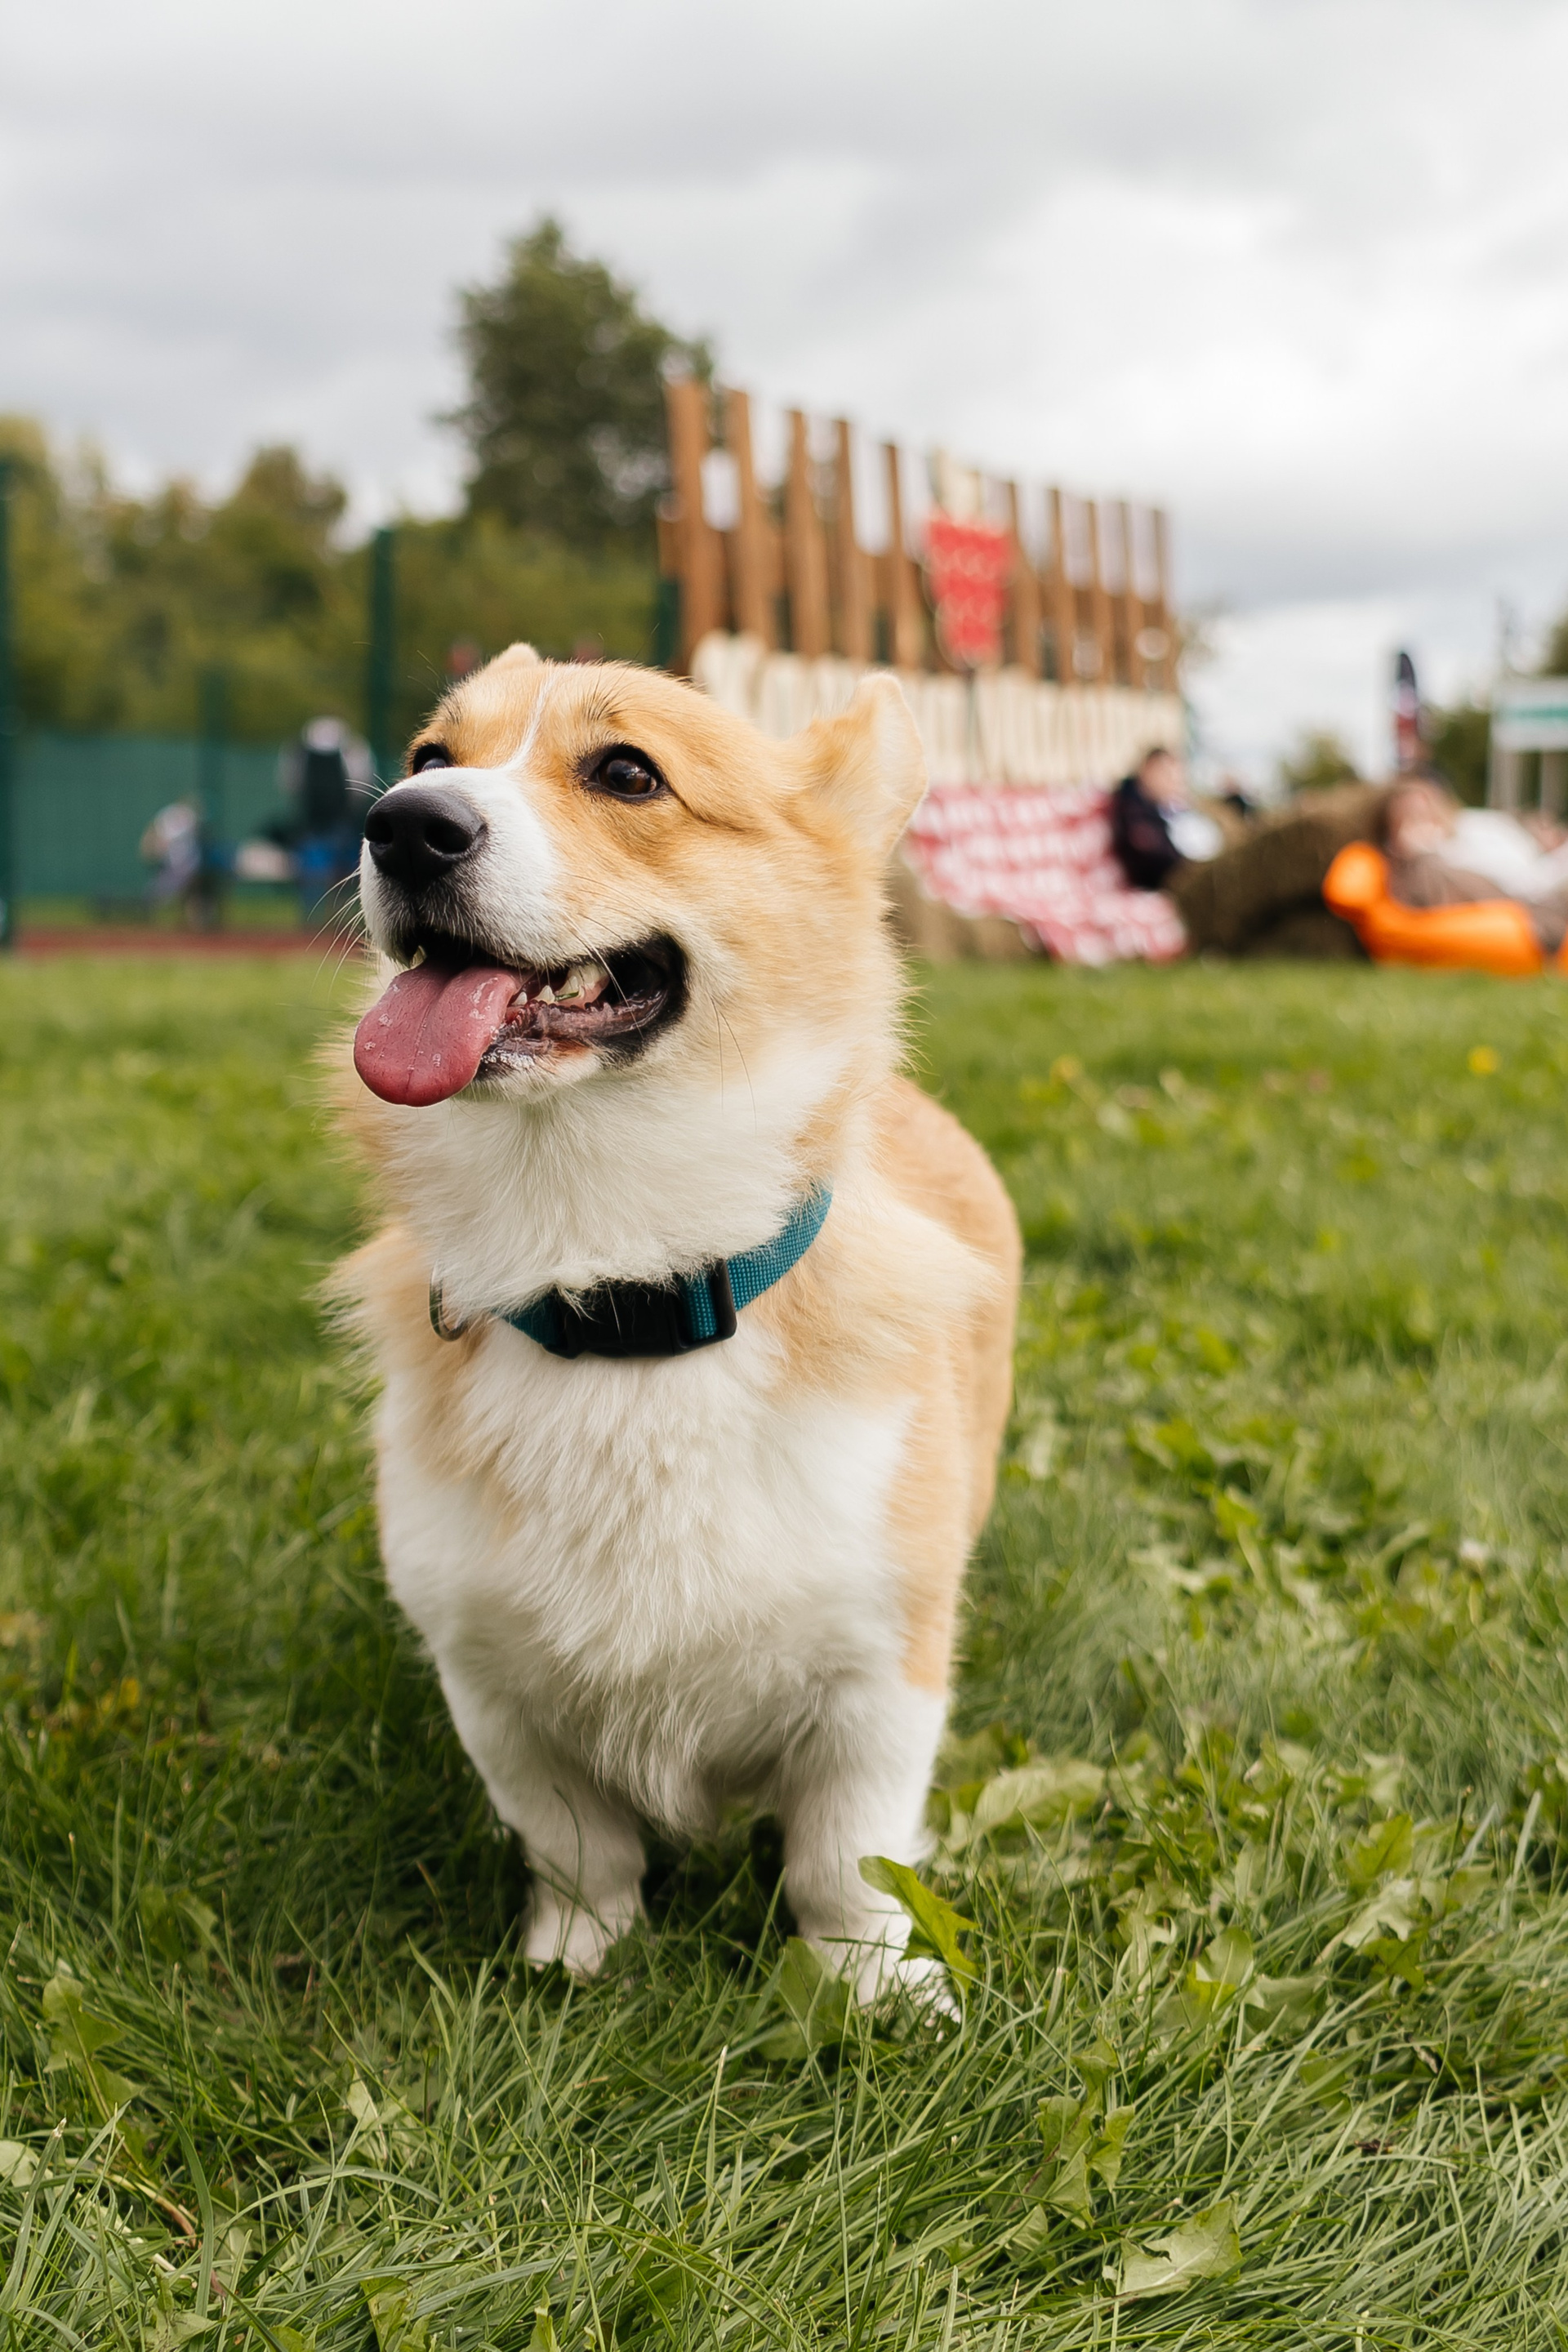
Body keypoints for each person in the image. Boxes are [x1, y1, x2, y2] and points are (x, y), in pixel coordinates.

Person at [1383, 777, 1568, 951]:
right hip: (1523, 901)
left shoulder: (1472, 826)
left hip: (1537, 885)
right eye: (1412, 817)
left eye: (1425, 811)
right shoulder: (1425, 865)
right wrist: (1418, 852)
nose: (1424, 821)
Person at [275, 717, 375, 922]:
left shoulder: (300, 752)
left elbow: (291, 783)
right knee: (329, 865)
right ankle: (329, 915)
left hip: (319, 821)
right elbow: (362, 784)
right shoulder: (352, 750)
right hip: (333, 820)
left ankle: (314, 915)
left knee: (323, 865)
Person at [1110, 746, 1224, 889]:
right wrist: (1190, 867)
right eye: (1167, 776)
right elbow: (1153, 855)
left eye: (1175, 778)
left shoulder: (1158, 806)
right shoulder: (1132, 808)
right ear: (1149, 770)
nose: (1172, 783)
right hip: (1160, 882)